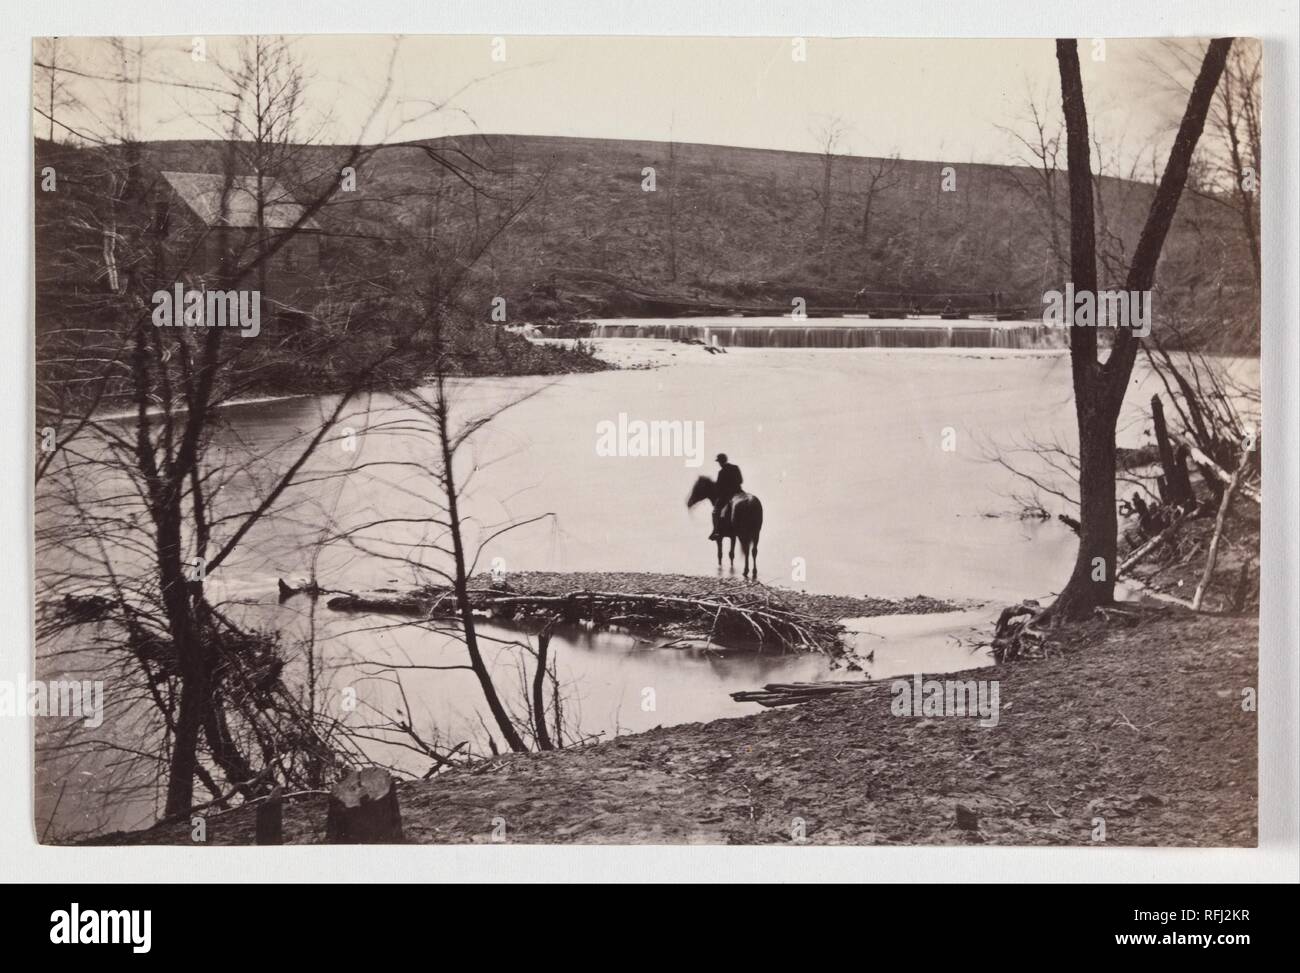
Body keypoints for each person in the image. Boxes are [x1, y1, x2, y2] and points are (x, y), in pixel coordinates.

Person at [709, 453, 744, 540]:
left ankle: (716, 531)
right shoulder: (735, 467)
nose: (719, 464)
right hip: (739, 492)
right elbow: (741, 480)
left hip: (728, 495)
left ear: (720, 462)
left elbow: (718, 487)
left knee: (715, 511)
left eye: (719, 462)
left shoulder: (721, 472)